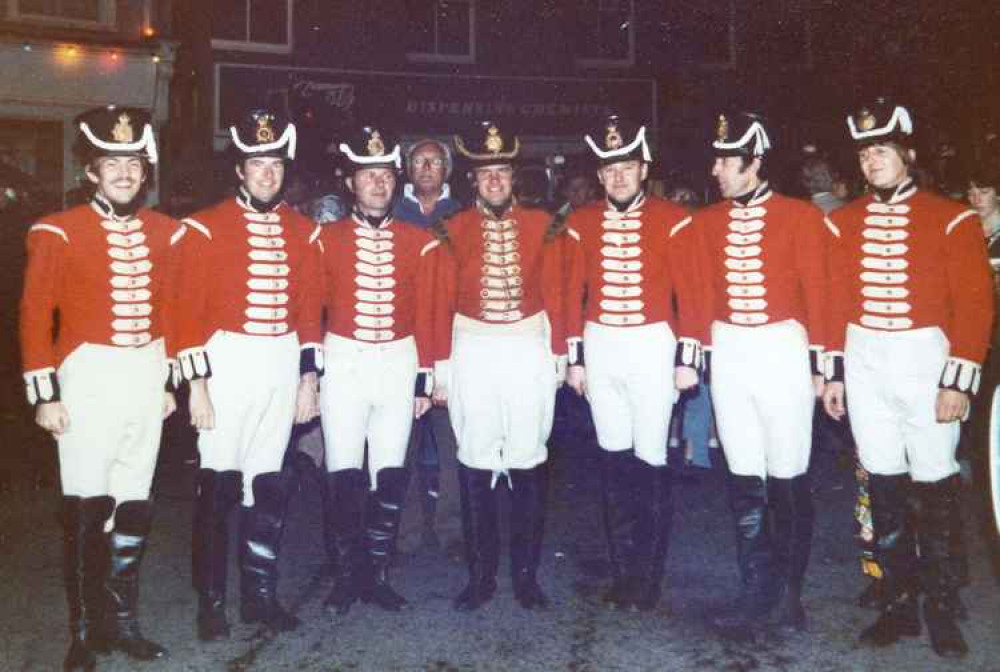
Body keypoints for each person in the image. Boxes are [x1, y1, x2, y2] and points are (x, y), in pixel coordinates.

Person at [823, 99, 994, 658]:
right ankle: (897, 604)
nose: (872, 161)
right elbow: (832, 302)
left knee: (935, 482)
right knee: (884, 482)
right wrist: (836, 373)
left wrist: (957, 380)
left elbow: (973, 305)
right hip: (865, 352)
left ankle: (943, 609)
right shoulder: (843, 221)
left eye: (883, 150)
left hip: (926, 358)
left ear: (908, 154)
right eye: (865, 152)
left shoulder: (951, 217)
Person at [20, 105, 180, 669]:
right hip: (86, 377)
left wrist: (168, 381)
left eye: (134, 163)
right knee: (90, 505)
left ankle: (125, 624)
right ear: (91, 169)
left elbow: (171, 310)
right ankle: (84, 633)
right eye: (112, 162)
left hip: (144, 374)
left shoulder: (166, 232)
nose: (125, 173)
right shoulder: (57, 228)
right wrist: (45, 395)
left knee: (135, 503)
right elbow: (35, 312)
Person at [175, 108, 323, 640]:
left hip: (281, 362)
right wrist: (197, 386)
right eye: (257, 163)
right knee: (217, 485)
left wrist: (309, 379)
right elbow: (185, 313)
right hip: (226, 361)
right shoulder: (204, 226)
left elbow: (310, 311)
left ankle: (260, 595)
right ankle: (210, 603)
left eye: (276, 164)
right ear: (239, 169)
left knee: (270, 485)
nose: (268, 173)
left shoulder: (304, 231)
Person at [686, 112, 834, 635]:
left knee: (788, 473)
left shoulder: (801, 217)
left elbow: (820, 292)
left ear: (754, 162)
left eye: (727, 161)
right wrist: (695, 353)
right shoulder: (705, 223)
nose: (716, 170)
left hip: (782, 350)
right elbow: (699, 293)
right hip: (730, 351)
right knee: (744, 474)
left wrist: (826, 367)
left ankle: (791, 594)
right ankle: (756, 589)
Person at [561, 115, 706, 611]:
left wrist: (688, 357)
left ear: (643, 168)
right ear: (599, 177)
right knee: (613, 461)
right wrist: (575, 359)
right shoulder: (580, 222)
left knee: (651, 460)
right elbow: (570, 296)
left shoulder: (674, 218)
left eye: (627, 166)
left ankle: (650, 576)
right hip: (601, 343)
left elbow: (692, 291)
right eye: (609, 169)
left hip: (652, 344)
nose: (618, 176)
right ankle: (624, 573)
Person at [432, 120, 568, 611]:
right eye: (486, 173)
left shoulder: (542, 224)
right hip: (472, 347)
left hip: (528, 345)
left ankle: (526, 579)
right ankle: (481, 577)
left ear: (514, 177)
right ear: (473, 179)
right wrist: (441, 368)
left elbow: (555, 290)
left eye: (502, 172)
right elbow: (442, 301)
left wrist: (558, 354)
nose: (494, 181)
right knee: (475, 457)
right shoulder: (451, 229)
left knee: (528, 457)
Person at [318, 126, 439, 614]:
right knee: (343, 470)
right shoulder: (324, 239)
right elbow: (310, 309)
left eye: (385, 175)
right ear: (352, 182)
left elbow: (431, 312)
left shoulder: (420, 242)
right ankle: (346, 576)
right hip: (344, 360)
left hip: (398, 360)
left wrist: (425, 377)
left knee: (389, 473)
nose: (378, 184)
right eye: (368, 176)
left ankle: (378, 573)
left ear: (397, 183)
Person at [392, 138, 463, 549]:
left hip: (452, 342)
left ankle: (452, 529)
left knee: (453, 440)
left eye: (435, 161)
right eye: (419, 160)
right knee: (401, 440)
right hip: (403, 343)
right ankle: (406, 529)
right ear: (407, 168)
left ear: (447, 169)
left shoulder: (463, 216)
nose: (426, 167)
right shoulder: (392, 214)